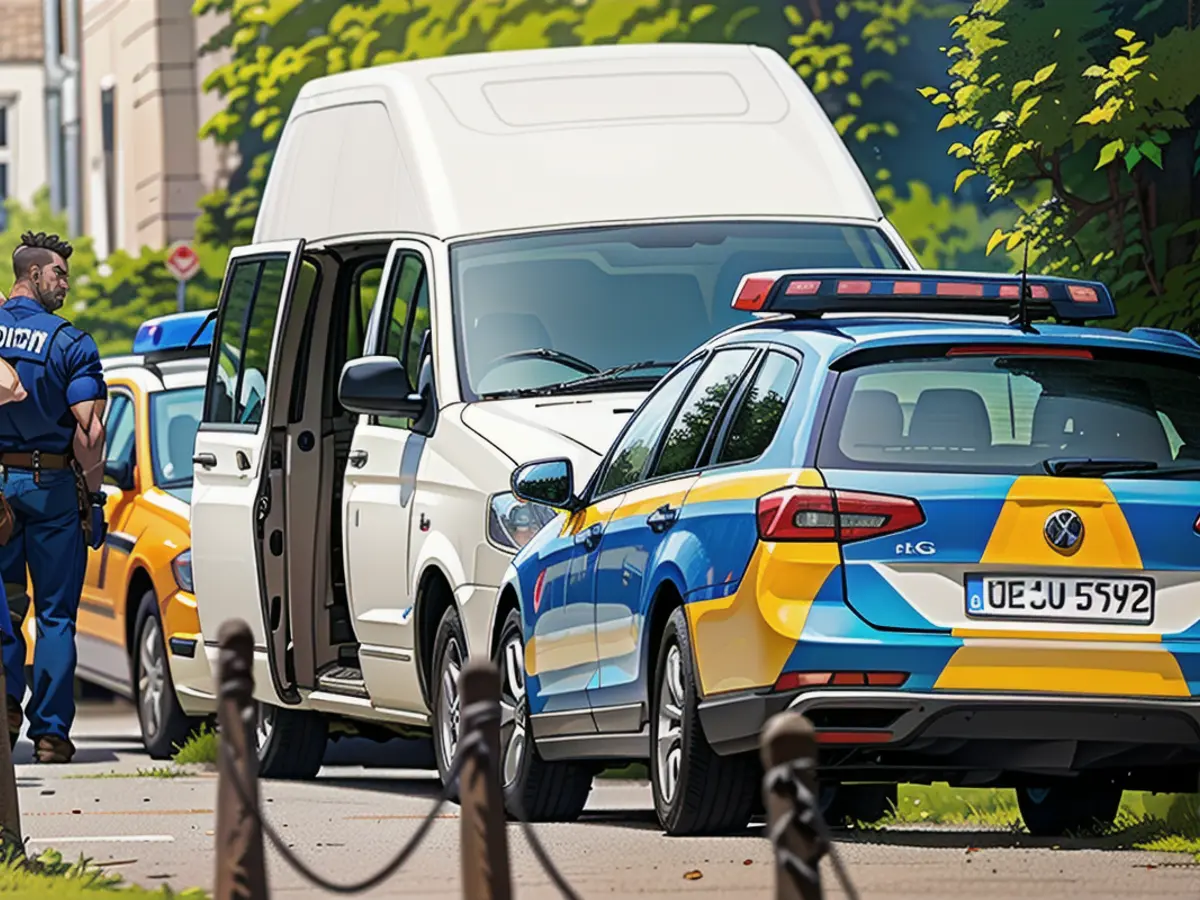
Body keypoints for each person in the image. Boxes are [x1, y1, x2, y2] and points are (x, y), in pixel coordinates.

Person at [0, 231, 107, 764]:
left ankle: (5, 708)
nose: (64, 283)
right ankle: (50, 734)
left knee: (2, 607)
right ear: (34, 274)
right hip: (53, 490)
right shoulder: (71, 342)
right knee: (56, 615)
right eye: (58, 274)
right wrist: (95, 493)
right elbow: (89, 431)